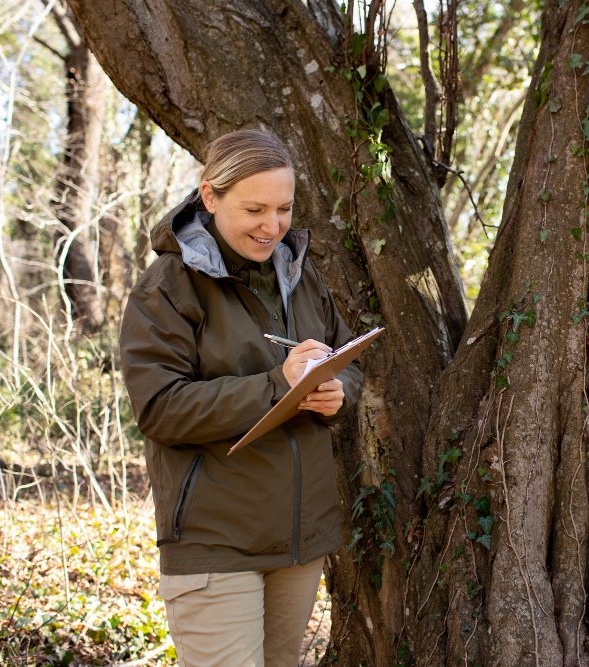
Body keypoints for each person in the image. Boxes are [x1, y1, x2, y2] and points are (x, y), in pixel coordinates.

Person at [119, 127, 363, 666]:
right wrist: (279, 385)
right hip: (216, 542)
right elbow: (160, 408)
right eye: (255, 209)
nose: (272, 226)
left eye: (284, 208)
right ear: (210, 196)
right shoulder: (168, 286)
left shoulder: (300, 274)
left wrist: (336, 392)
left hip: (299, 541)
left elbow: (349, 359)